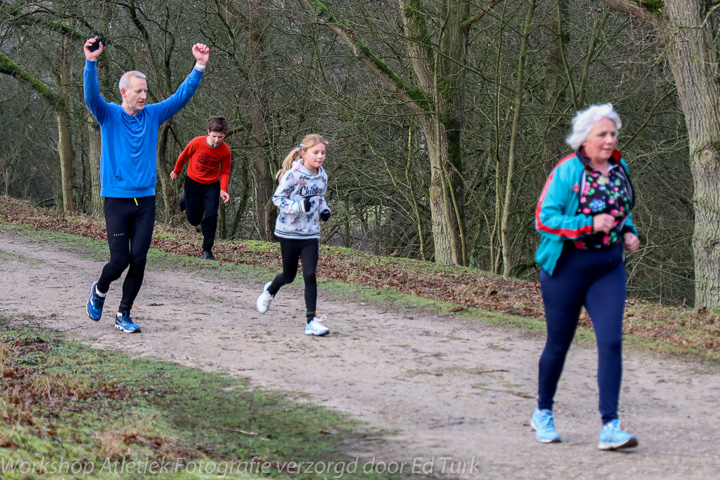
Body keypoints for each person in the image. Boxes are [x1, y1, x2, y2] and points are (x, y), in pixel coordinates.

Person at [83, 36, 210, 333]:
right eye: (139, 91)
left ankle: (123, 315)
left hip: (146, 200)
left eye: (146, 91)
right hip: (117, 198)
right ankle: (100, 290)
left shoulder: (152, 114)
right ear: (125, 92)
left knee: (138, 260)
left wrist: (199, 67)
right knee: (119, 260)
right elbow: (91, 97)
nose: (144, 96)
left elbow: (180, 97)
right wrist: (91, 63)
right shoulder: (109, 115)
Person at [532, 103, 640, 450]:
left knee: (611, 341)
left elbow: (621, 212)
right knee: (559, 343)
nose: (610, 140)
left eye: (613, 134)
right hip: (566, 269)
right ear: (585, 139)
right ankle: (543, 411)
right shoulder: (566, 172)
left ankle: (611, 426)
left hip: (608, 268)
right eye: (602, 135)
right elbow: (543, 220)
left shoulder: (619, 167)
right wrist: (587, 225)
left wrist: (629, 233)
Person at [256, 134, 332, 336]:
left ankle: (311, 322)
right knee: (289, 276)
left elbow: (320, 198)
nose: (320, 156)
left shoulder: (322, 176)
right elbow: (277, 199)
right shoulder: (293, 175)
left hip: (311, 233)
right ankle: (270, 290)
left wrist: (324, 209)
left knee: (309, 274)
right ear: (304, 153)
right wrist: (299, 206)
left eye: (323, 152)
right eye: (316, 152)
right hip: (289, 232)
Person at [170, 116, 232, 260]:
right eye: (214, 136)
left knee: (211, 215)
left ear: (225, 135)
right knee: (194, 220)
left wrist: (223, 189)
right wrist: (177, 171)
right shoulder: (197, 142)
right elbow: (184, 156)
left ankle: (207, 250)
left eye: (220, 137)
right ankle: (185, 198)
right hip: (193, 182)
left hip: (211, 185)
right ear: (208, 132)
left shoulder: (225, 150)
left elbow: (225, 171)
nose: (217, 140)